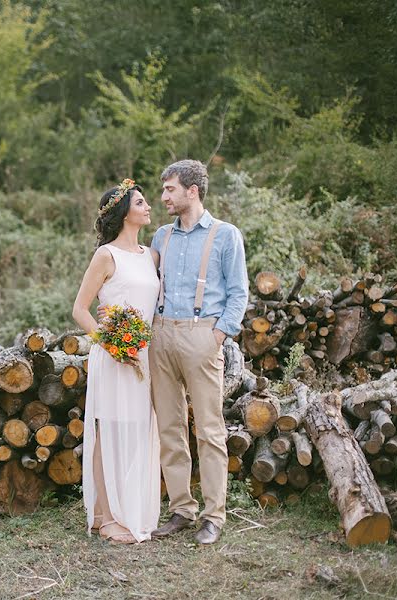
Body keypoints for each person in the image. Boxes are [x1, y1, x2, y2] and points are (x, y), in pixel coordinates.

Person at [147, 159, 248, 545]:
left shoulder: (226, 235)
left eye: (170, 189)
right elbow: (144, 283)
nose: (163, 197)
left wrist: (218, 335)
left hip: (202, 336)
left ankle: (213, 516)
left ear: (193, 191)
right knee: (169, 428)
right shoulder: (161, 236)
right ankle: (181, 510)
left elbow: (239, 292)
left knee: (209, 430)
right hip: (162, 336)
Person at [72, 179, 161, 544]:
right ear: (125, 212)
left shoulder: (151, 256)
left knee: (137, 428)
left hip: (142, 355)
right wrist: (110, 343)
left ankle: (123, 507)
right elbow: (80, 310)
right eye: (141, 202)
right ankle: (106, 517)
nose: (148, 206)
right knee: (106, 430)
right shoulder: (106, 256)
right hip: (112, 355)